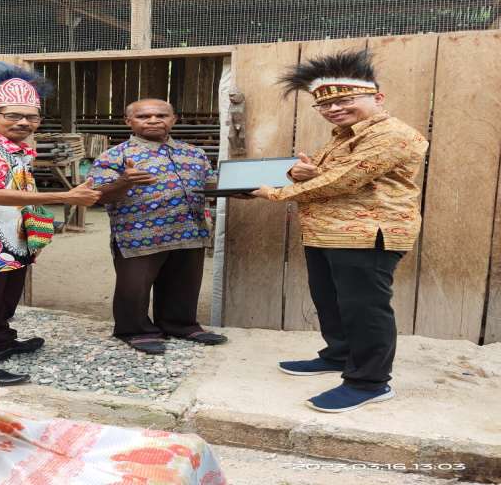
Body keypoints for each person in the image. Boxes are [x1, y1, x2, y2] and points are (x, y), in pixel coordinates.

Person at [250, 49, 428, 413]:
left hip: (368, 233)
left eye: (344, 100)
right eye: (324, 104)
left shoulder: (392, 134)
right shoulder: (342, 137)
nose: (333, 109)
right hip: (326, 232)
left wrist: (273, 192)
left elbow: (344, 180)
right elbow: (323, 173)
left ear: (377, 97)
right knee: (330, 300)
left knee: (365, 308)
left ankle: (370, 382)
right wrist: (300, 171)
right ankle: (339, 355)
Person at [0, 60, 100, 385]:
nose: (24, 122)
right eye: (12, 115)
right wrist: (65, 197)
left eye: (31, 117)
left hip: (11, 241)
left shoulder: (17, 151)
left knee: (2, 299)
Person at [88, 99, 228, 355]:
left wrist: (237, 188)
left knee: (184, 284)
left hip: (189, 231)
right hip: (139, 235)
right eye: (144, 116)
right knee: (134, 287)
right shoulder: (115, 156)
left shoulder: (194, 153)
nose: (153, 120)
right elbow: (97, 196)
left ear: (173, 120)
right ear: (128, 121)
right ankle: (135, 330)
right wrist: (124, 181)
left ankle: (180, 325)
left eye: (161, 115)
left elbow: (210, 185)